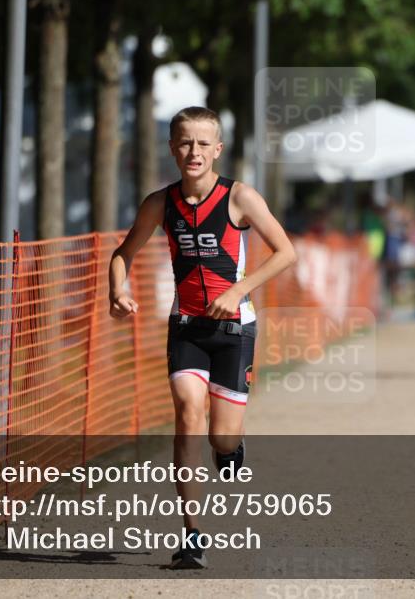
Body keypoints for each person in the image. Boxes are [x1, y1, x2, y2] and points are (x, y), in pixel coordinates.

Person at [108, 106, 296, 569]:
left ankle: (232, 444)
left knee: (222, 442)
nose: (193, 152)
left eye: (202, 143)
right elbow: (122, 252)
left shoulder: (240, 198)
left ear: (218, 149)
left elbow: (286, 252)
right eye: (184, 142)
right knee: (188, 411)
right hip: (188, 326)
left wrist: (237, 291)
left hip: (234, 329)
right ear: (172, 147)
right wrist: (118, 288)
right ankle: (193, 536)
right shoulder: (160, 202)